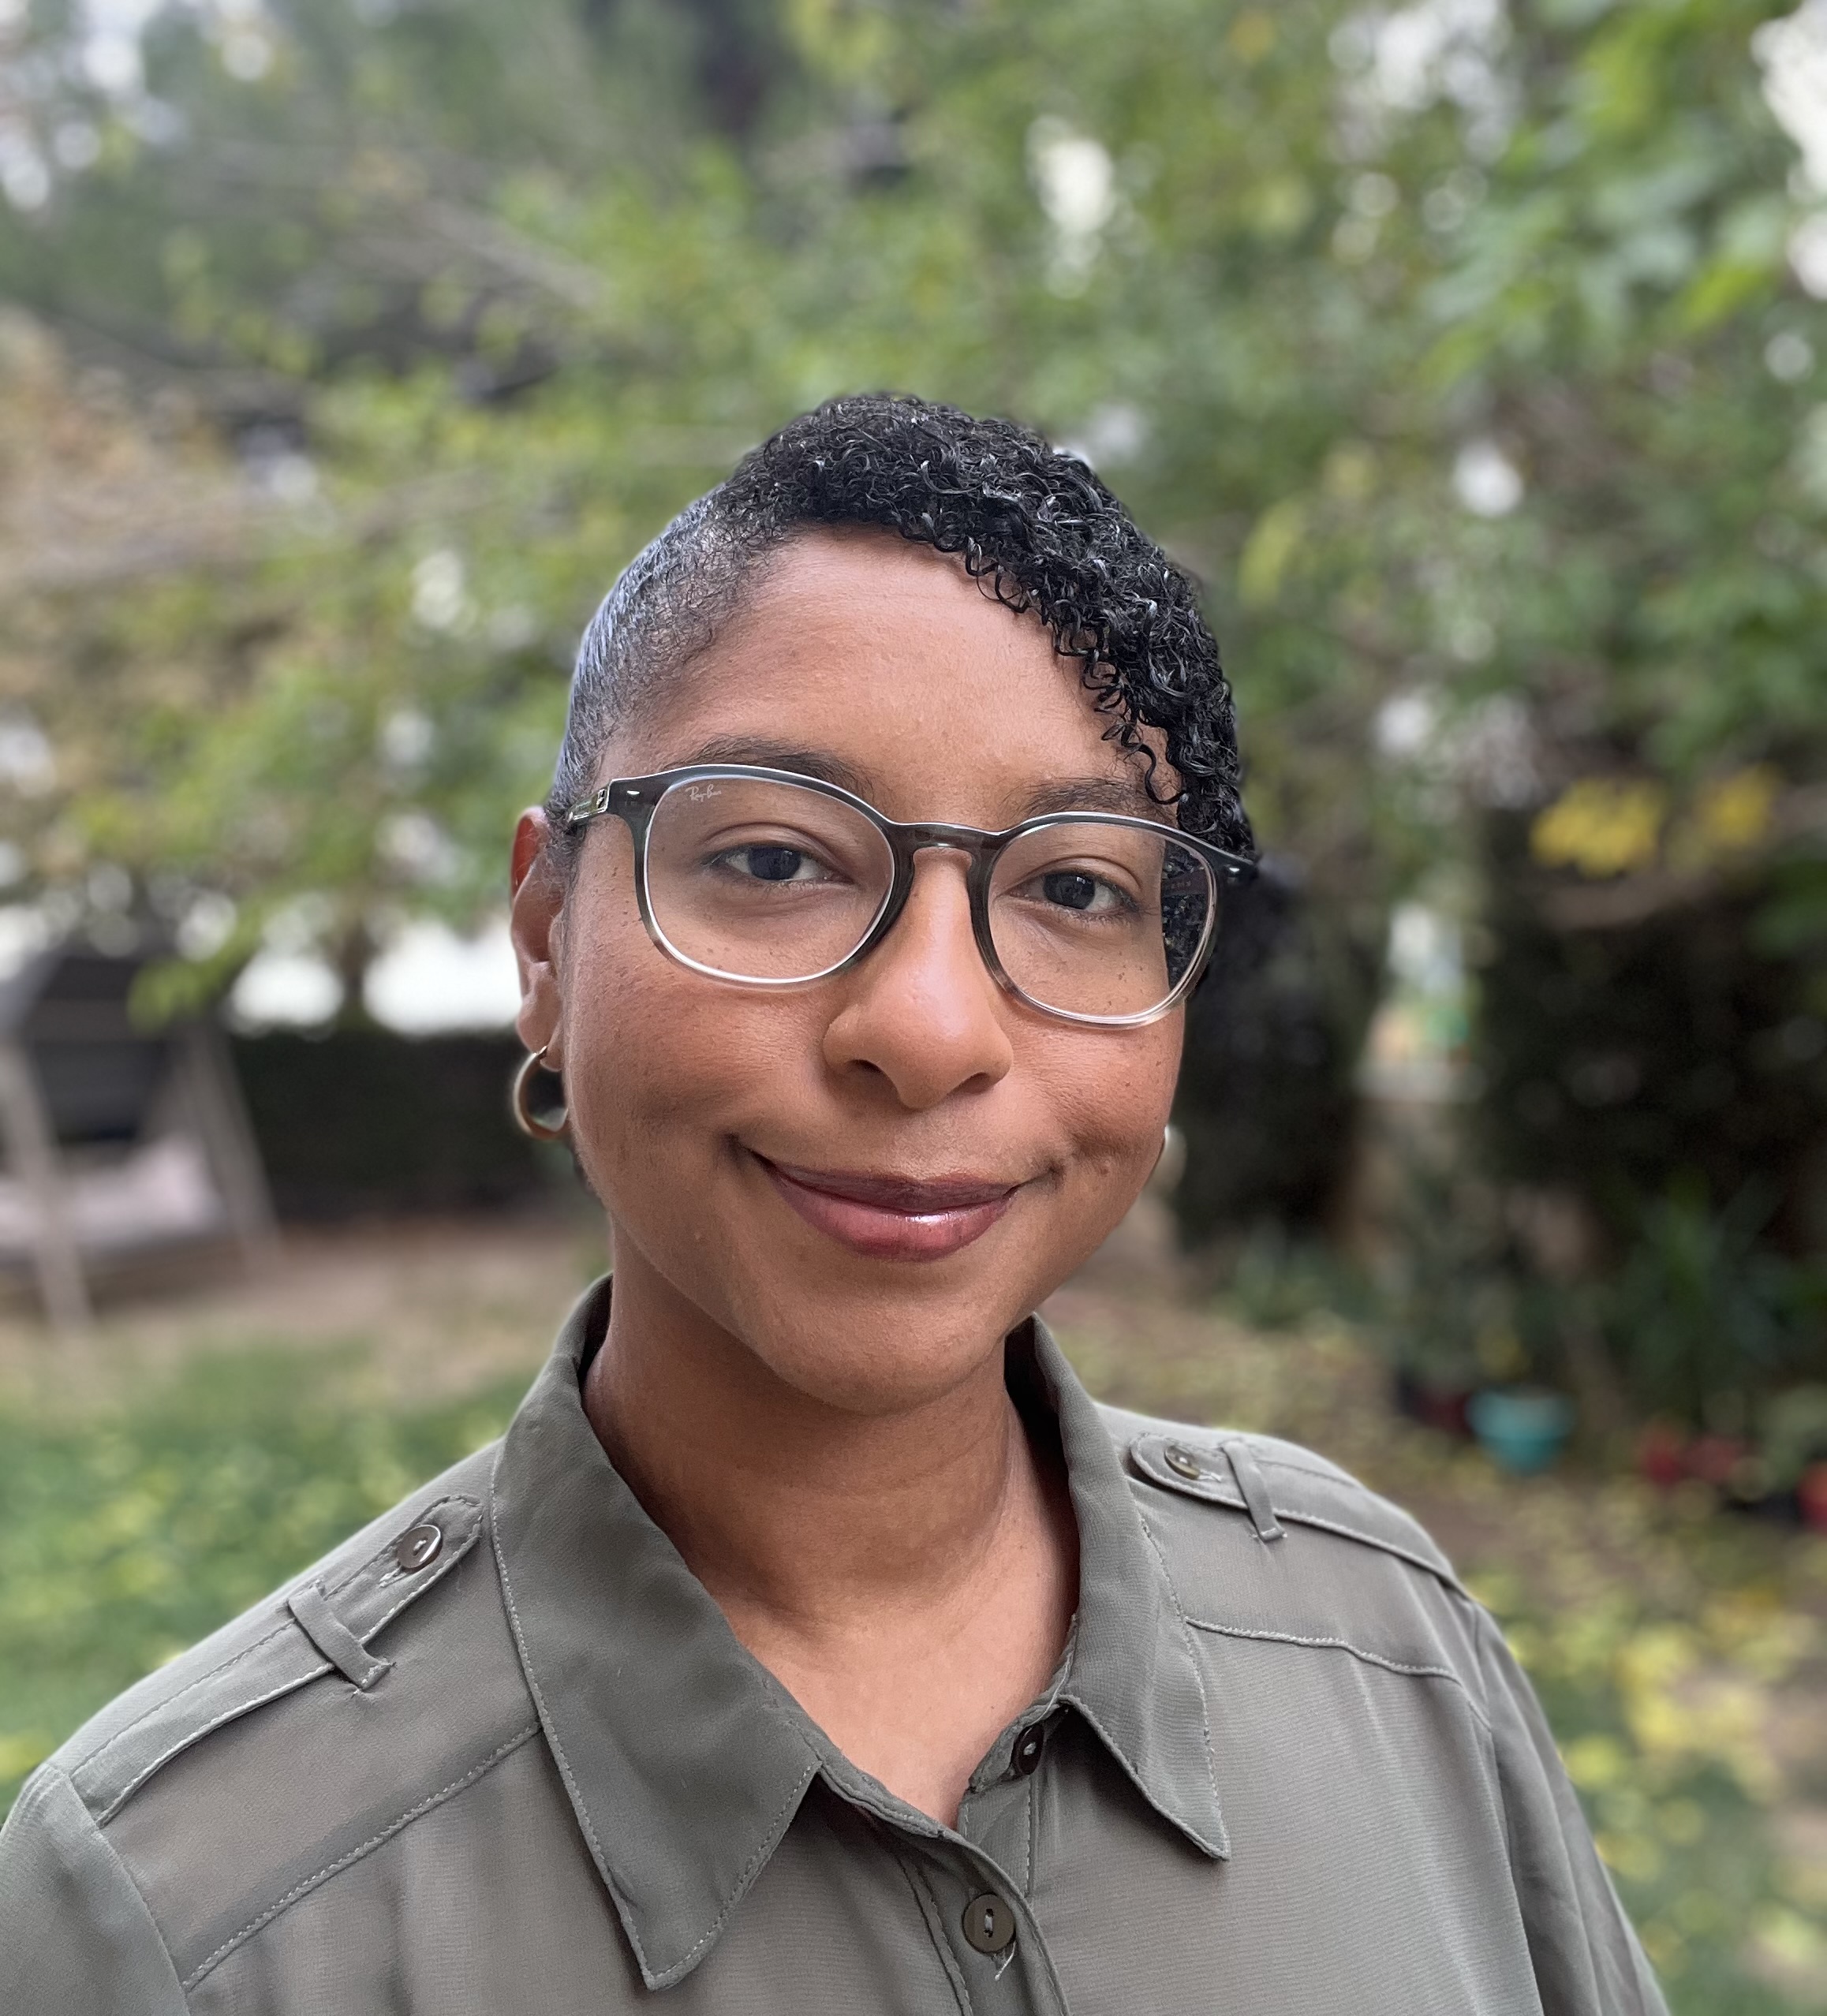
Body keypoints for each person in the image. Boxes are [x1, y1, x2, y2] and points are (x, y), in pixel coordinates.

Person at [0, 395, 1664, 2015]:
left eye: (1077, 884)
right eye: (777, 860)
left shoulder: (1393, 1654)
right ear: (546, 941)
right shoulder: (182, 1923)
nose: (930, 1031)